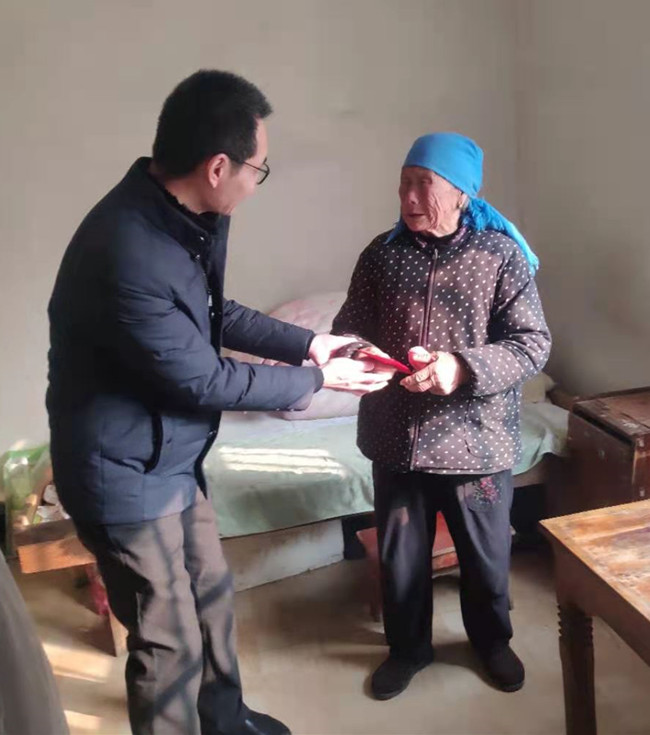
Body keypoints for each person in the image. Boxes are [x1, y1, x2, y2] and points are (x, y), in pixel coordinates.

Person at [47, 70, 388, 735]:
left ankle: (227, 721)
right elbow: (204, 380)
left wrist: (312, 345)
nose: (257, 183)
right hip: (121, 471)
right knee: (166, 639)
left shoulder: (184, 218)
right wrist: (322, 380)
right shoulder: (127, 250)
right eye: (259, 169)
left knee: (210, 593)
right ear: (217, 167)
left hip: (172, 454)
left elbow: (214, 313)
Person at [332, 132, 551, 700]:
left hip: (476, 442)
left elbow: (531, 344)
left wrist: (460, 368)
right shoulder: (381, 255)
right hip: (395, 437)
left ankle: (492, 642)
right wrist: (358, 354)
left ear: (460, 193)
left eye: (423, 184)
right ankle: (407, 649)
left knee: (486, 557)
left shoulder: (498, 256)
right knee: (402, 560)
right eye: (404, 183)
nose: (409, 197)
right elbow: (348, 327)